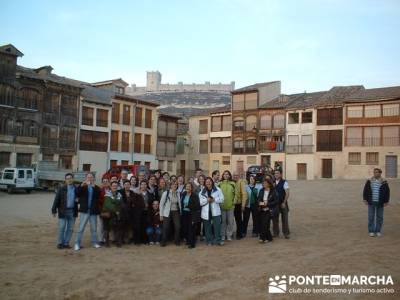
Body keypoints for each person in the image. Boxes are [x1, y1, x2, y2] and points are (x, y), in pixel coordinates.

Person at [74, 173, 102, 251]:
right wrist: (81, 185)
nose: (90, 178)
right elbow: (77, 193)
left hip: (93, 211)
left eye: (91, 177)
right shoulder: (83, 186)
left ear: (94, 178)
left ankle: (95, 242)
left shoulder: (96, 188)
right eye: (88, 177)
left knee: (94, 228)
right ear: (86, 178)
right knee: (81, 228)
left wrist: (94, 187)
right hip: (85, 210)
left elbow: (98, 195)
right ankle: (77, 243)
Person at [52, 173, 78, 249]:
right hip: (63, 211)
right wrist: (54, 210)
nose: (69, 180)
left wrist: (78, 200)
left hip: (72, 211)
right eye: (67, 178)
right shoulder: (61, 189)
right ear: (65, 180)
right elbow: (56, 200)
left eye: (70, 178)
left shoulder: (76, 189)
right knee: (62, 227)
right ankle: (60, 243)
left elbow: (79, 198)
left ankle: (66, 243)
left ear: (73, 179)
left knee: (70, 229)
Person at [363, 168, 390, 237]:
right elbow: (365, 190)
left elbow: (387, 192)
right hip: (371, 202)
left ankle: (378, 230)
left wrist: (386, 201)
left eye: (377, 172)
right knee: (371, 217)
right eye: (374, 172)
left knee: (380, 217)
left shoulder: (384, 182)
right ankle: (371, 231)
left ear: (380, 173)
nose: (375, 174)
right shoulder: (369, 181)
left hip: (380, 202)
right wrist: (365, 199)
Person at [200, 177, 224, 246]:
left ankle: (218, 240)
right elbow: (200, 202)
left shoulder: (218, 190)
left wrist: (214, 200)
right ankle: (209, 241)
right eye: (207, 182)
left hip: (216, 212)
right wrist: (206, 200)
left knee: (217, 226)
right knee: (207, 227)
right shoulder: (202, 192)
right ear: (205, 183)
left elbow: (222, 199)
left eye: (209, 181)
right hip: (206, 212)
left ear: (212, 182)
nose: (208, 183)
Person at [257, 176, 279, 243]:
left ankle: (262, 238)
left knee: (265, 224)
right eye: (263, 183)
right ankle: (269, 238)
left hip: (270, 210)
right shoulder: (261, 190)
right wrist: (261, 203)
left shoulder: (273, 191)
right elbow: (258, 200)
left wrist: (268, 204)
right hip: (262, 209)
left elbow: (276, 201)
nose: (264, 184)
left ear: (269, 184)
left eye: (265, 183)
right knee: (262, 224)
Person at [159, 181, 182, 246]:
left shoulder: (178, 193)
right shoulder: (166, 193)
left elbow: (180, 204)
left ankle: (177, 240)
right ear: (170, 186)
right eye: (173, 184)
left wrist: (181, 212)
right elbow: (161, 204)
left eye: (176, 184)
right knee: (165, 227)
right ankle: (163, 241)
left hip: (176, 211)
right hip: (167, 212)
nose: (174, 186)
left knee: (178, 226)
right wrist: (161, 215)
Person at [102, 181, 123, 247]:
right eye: (113, 186)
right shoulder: (107, 194)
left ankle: (117, 242)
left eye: (116, 186)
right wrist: (116, 209)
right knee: (106, 228)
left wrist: (114, 202)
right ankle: (106, 242)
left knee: (117, 228)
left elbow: (121, 204)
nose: (115, 187)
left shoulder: (119, 194)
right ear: (110, 187)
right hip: (107, 214)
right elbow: (108, 205)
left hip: (116, 214)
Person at [181, 183, 201, 248]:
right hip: (184, 213)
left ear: (191, 188)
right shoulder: (183, 194)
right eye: (187, 186)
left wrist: (188, 206)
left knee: (191, 228)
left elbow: (197, 206)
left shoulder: (194, 195)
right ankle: (188, 240)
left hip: (192, 214)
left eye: (189, 187)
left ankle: (192, 243)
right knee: (186, 228)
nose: (188, 188)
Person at [273, 170, 290, 239]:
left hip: (282, 203)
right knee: (275, 219)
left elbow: (287, 193)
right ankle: (276, 233)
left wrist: (284, 202)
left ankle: (286, 233)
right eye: (275, 173)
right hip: (275, 204)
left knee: (285, 219)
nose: (276, 174)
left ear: (280, 174)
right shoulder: (272, 182)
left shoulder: (284, 182)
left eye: (277, 173)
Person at [219, 170, 236, 242]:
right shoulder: (219, 184)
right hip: (222, 207)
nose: (226, 175)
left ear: (229, 176)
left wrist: (233, 202)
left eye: (227, 174)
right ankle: (223, 235)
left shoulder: (233, 184)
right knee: (223, 222)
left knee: (230, 222)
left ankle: (229, 235)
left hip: (230, 206)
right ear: (222, 175)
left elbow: (236, 194)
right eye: (224, 174)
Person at [119, 180, 135, 245]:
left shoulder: (132, 193)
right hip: (122, 212)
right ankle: (120, 239)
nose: (127, 186)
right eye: (125, 184)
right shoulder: (120, 192)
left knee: (129, 227)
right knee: (121, 227)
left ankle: (127, 239)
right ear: (123, 185)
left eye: (128, 184)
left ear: (130, 185)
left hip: (130, 213)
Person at [233, 172, 248, 239]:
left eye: (236, 175)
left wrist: (243, 205)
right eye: (234, 175)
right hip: (231, 204)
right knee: (231, 220)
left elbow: (244, 194)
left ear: (238, 176)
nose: (235, 176)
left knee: (238, 220)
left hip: (238, 204)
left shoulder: (241, 182)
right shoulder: (232, 182)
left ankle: (239, 234)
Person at [99, 177, 111, 245]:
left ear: (109, 182)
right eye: (104, 181)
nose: (105, 182)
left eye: (106, 181)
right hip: (102, 210)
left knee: (108, 226)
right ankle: (101, 240)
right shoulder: (100, 190)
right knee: (101, 226)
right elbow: (98, 201)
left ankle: (107, 239)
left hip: (111, 211)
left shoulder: (112, 190)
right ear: (102, 183)